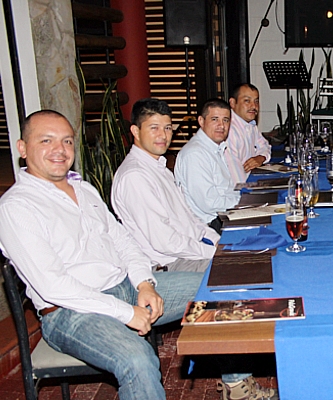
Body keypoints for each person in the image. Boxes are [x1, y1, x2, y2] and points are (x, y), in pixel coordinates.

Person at [0, 110, 203, 400]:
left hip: (126, 287)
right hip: (71, 313)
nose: (60, 149)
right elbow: (54, 286)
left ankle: (235, 385)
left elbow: (124, 241)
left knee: (219, 287)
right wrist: (126, 312)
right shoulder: (16, 208)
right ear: (22, 148)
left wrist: (144, 283)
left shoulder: (83, 189)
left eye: (67, 141)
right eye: (46, 140)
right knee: (137, 360)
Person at [111, 98, 219, 273]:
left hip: (192, 251)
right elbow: (165, 242)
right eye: (154, 128)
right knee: (247, 270)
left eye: (167, 128)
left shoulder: (159, 167)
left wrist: (216, 240)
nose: (163, 135)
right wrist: (214, 252)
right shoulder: (135, 176)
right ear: (136, 131)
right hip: (172, 264)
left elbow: (189, 217)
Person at [174, 99, 241, 235]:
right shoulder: (195, 154)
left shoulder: (214, 148)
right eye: (215, 119)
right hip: (208, 227)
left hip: (222, 216)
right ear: (201, 121)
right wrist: (244, 203)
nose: (221, 125)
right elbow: (210, 203)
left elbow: (225, 191)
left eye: (226, 120)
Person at [227, 83, 271, 184]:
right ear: (233, 103)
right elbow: (237, 181)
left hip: (248, 180)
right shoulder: (230, 130)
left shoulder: (250, 124)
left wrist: (261, 157)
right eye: (247, 101)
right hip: (236, 188)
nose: (253, 106)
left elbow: (265, 146)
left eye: (256, 101)